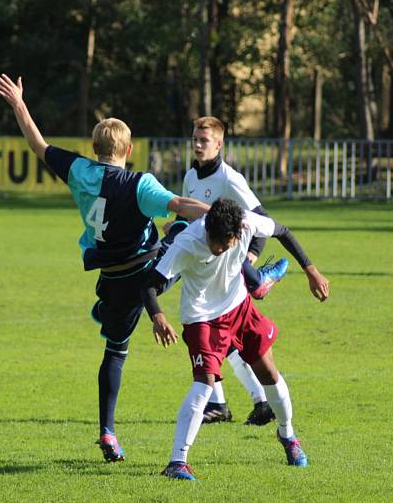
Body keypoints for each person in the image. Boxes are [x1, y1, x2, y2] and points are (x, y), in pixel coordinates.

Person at [0, 74, 210, 463]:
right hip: (148, 271)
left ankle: (107, 432)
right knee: (181, 230)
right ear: (129, 149)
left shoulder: (79, 171)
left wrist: (18, 104)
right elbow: (179, 204)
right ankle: (251, 276)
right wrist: (219, 213)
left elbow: (39, 145)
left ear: (95, 148)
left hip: (111, 280)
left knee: (115, 352)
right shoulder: (139, 183)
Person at [141, 198, 330, 480]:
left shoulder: (246, 222)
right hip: (202, 318)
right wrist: (158, 316)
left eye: (226, 243)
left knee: (269, 373)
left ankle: (288, 436)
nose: (221, 249)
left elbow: (283, 232)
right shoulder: (188, 242)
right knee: (204, 385)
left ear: (238, 233)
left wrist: (310, 269)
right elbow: (149, 284)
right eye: (215, 242)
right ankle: (177, 463)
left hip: (240, 308)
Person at [179, 116, 288, 426]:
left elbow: (262, 219)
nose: (198, 145)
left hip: (226, 268)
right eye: (195, 139)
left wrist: (251, 255)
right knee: (219, 342)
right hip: (203, 269)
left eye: (204, 140)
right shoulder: (190, 177)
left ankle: (259, 280)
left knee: (219, 338)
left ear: (219, 144)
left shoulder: (230, 179)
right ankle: (240, 403)